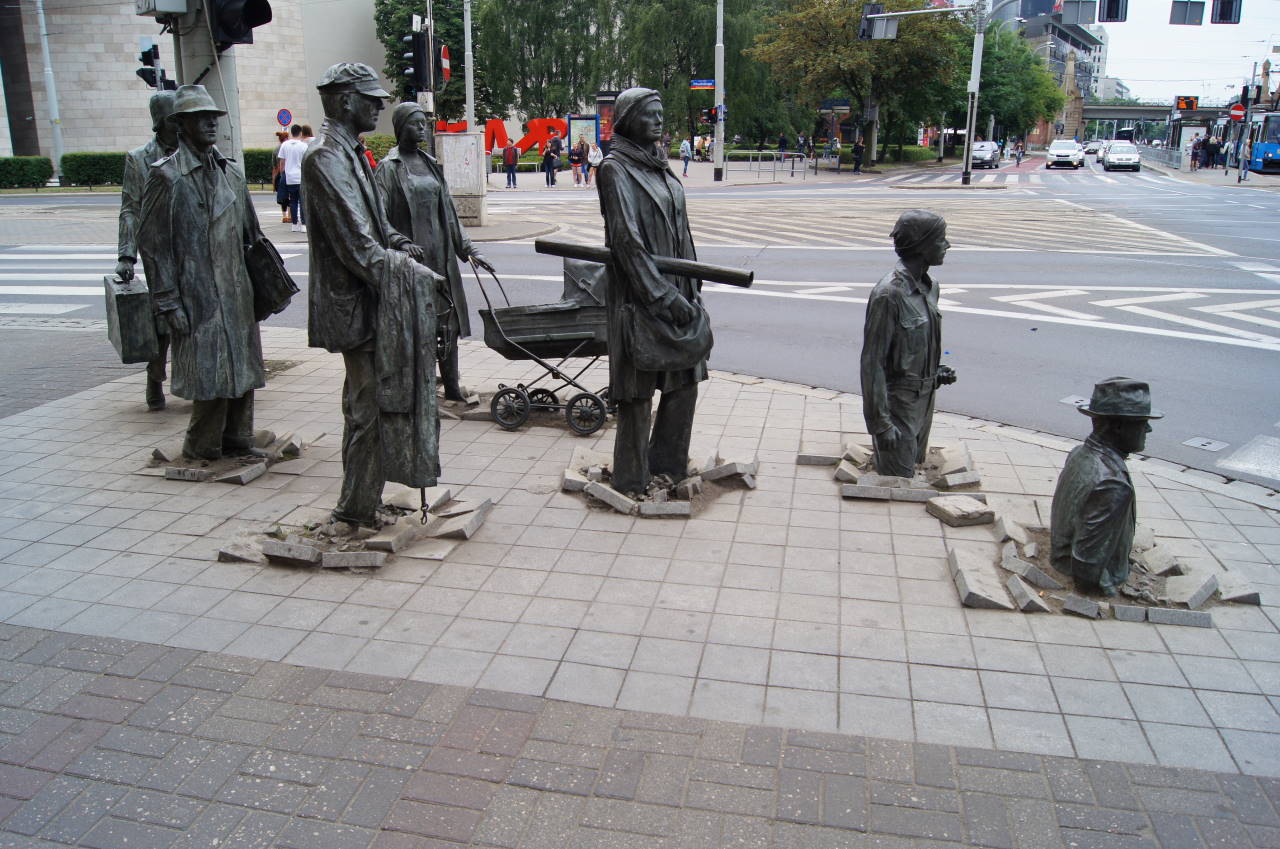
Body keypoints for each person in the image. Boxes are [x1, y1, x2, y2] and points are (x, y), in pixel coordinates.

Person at [302, 62, 445, 529]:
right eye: (371, 99)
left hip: (373, 299)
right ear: (345, 101)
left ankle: (364, 499)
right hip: (353, 304)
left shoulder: (352, 152)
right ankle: (354, 509)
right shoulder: (325, 157)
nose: (379, 107)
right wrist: (414, 273)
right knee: (367, 408)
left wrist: (401, 244)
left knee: (370, 405)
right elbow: (358, 247)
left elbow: (378, 226)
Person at [139, 85, 267, 461]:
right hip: (196, 293)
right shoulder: (166, 176)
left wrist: (262, 286)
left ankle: (238, 437)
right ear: (181, 124)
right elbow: (153, 245)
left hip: (236, 288)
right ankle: (200, 445)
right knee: (210, 371)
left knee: (242, 366)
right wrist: (167, 301)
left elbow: (253, 235)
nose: (211, 123)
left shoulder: (231, 173)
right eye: (201, 117)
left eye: (213, 116)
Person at [597, 87, 708, 496]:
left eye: (661, 113)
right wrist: (663, 297)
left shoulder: (659, 165)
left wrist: (692, 288)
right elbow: (626, 242)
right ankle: (632, 477)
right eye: (650, 114)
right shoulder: (615, 169)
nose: (659, 120)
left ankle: (669, 466)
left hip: (680, 293)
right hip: (639, 298)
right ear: (628, 120)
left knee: (685, 381)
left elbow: (682, 230)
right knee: (637, 393)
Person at [375, 102, 493, 402]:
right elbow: (378, 218)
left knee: (447, 324)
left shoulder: (430, 163)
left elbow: (450, 214)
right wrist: (400, 242)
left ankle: (452, 387)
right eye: (415, 123)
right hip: (414, 261)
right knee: (420, 327)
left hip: (441, 255)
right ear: (400, 127)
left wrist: (469, 249)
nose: (421, 129)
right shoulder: (389, 168)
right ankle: (424, 391)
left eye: (423, 124)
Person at [859, 210, 957, 479]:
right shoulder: (888, 294)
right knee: (897, 477)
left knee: (913, 467)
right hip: (897, 407)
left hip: (925, 401)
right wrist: (880, 424)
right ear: (921, 245)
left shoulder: (931, 287)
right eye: (941, 239)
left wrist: (936, 371)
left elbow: (914, 345)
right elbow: (872, 363)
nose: (947, 245)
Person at [1051, 377, 1161, 596]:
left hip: (1060, 558)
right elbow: (1087, 560)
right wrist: (1103, 593)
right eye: (1141, 423)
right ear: (1118, 426)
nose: (1148, 429)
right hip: (1083, 572)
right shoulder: (1112, 483)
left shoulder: (1079, 454)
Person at [116, 90, 178, 411]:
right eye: (173, 118)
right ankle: (155, 375)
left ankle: (195, 380)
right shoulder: (139, 158)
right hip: (157, 248)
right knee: (163, 316)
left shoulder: (194, 151)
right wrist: (126, 255)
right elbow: (130, 208)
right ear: (160, 122)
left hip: (192, 245)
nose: (180, 123)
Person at [277, 124, 308, 232]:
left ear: (291, 132)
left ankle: (294, 224)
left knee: (293, 201)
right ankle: (303, 225)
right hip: (301, 177)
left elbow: (282, 162)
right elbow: (306, 161)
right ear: (300, 133)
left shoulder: (285, 145)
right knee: (302, 201)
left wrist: (282, 173)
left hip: (290, 177)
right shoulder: (304, 146)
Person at [271, 130, 290, 222]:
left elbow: (274, 167)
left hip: (279, 175)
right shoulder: (289, 147)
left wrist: (273, 180)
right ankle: (290, 215)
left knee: (282, 196)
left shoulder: (276, 149)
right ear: (286, 138)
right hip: (289, 173)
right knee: (290, 195)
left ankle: (284, 216)